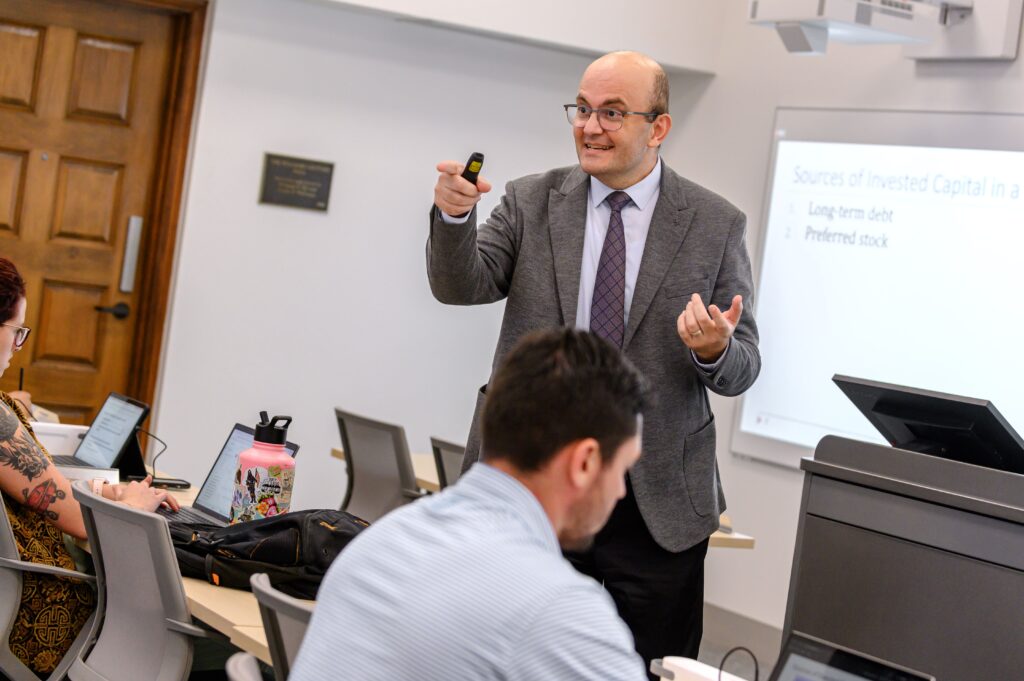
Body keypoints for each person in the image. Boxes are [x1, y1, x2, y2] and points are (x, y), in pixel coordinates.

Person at [427, 51, 761, 668]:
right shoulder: (531, 200)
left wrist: (715, 350)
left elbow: (744, 364)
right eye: (582, 109)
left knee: (646, 666)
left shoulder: (714, 222)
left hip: (655, 499)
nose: (590, 126)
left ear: (657, 127)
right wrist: (454, 215)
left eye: (611, 113)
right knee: (507, 660)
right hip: (536, 484)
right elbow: (460, 284)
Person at [291, 329, 650, 681]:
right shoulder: (558, 608)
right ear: (585, 462)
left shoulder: (379, 541)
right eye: (622, 468)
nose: (620, 491)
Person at [0, 257, 178, 676]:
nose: (18, 346)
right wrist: (132, 504)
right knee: (191, 637)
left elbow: (43, 488)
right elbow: (83, 525)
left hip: (12, 606)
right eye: (17, 332)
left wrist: (105, 493)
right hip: (42, 615)